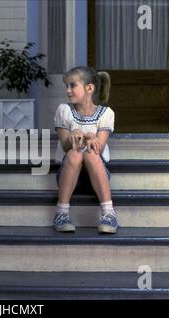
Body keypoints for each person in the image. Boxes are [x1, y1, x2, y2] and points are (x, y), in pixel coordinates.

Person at [53, 66, 117, 234]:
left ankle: (109, 213)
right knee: (74, 153)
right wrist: (73, 134)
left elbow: (99, 147)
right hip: (69, 176)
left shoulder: (106, 114)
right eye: (66, 86)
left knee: (91, 153)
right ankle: (61, 212)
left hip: (97, 175)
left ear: (89, 88)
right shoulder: (64, 111)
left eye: (72, 85)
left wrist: (89, 136)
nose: (68, 90)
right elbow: (65, 145)